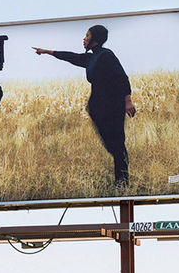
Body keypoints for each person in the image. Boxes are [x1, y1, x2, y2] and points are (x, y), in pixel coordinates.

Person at [32, 25, 136, 187]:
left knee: (117, 145)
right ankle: (121, 177)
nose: (84, 38)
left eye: (87, 36)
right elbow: (71, 57)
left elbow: (122, 77)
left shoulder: (106, 55)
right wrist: (48, 52)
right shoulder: (91, 58)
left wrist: (127, 101)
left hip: (113, 106)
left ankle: (122, 182)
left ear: (95, 39)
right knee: (113, 145)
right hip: (100, 108)